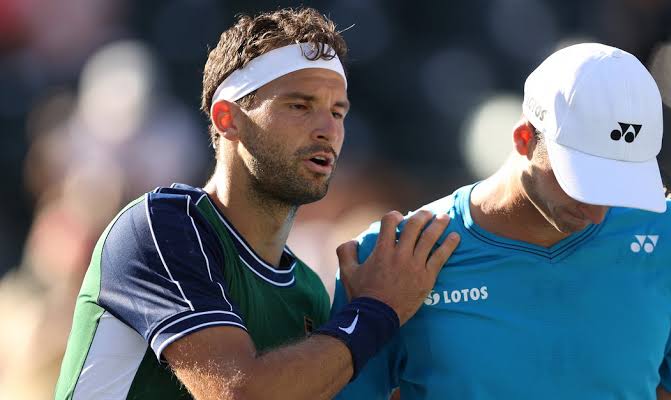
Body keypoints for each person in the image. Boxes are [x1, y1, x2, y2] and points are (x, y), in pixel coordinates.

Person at [54, 8, 460, 400]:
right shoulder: (161, 226)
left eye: (338, 112)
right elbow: (238, 393)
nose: (327, 130)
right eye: (300, 106)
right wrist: (378, 309)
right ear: (227, 118)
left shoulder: (308, 290)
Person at [334, 43, 671, 400]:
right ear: (523, 138)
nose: (598, 212)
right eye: (583, 183)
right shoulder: (389, 256)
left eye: (619, 183)